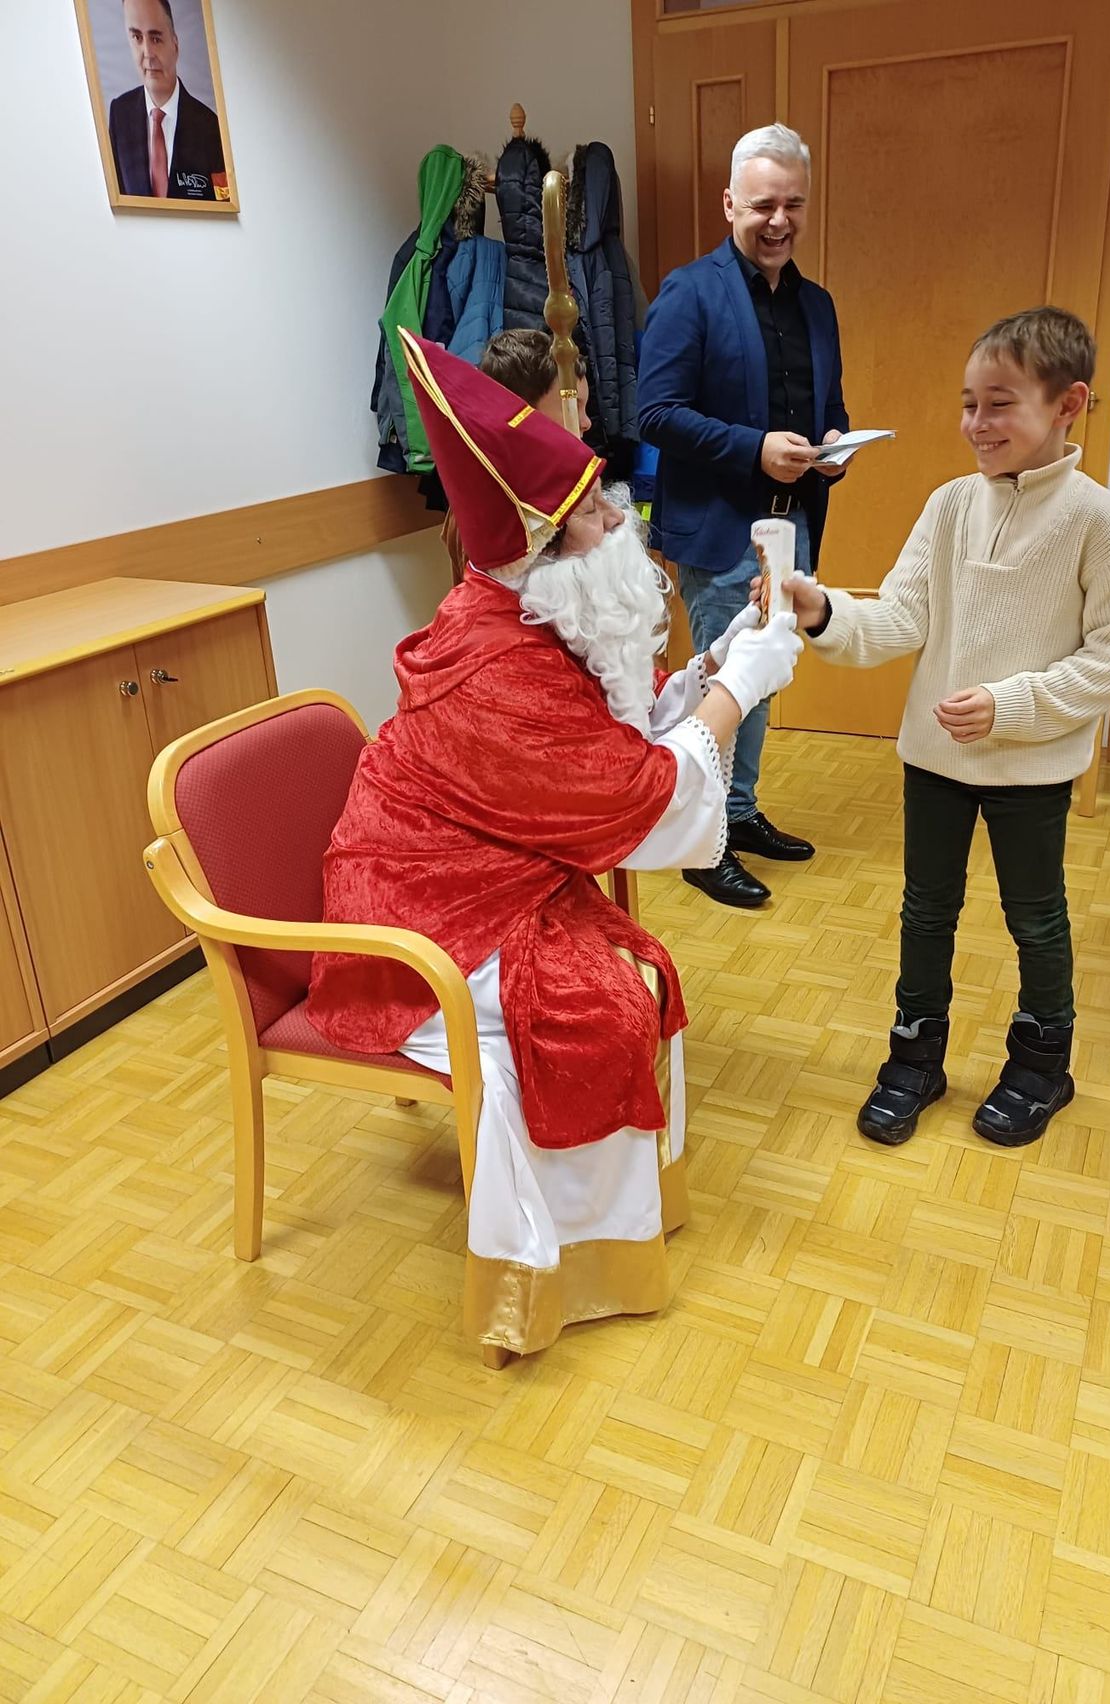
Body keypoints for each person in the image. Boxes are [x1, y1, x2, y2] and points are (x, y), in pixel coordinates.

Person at [306, 335, 802, 1356]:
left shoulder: (526, 611)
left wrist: (711, 660)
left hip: (484, 876)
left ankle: (615, 1226)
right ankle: (552, 1276)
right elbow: (645, 801)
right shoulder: (499, 662)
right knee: (594, 1008)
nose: (625, 524)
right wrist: (740, 687)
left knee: (632, 971)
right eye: (598, 516)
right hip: (415, 913)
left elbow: (602, 743)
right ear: (543, 548)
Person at [785, 307, 1110, 1147]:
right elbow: (900, 618)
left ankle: (1041, 1064)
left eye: (999, 404)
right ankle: (915, 1057)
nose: (975, 425)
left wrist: (1013, 706)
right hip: (935, 761)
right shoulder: (948, 504)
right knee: (926, 911)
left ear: (1069, 405)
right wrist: (824, 612)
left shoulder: (1100, 521)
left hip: (1030, 771)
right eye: (968, 404)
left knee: (1036, 917)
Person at [637, 122, 850, 909]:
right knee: (726, 684)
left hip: (791, 531)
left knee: (763, 679)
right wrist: (752, 447)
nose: (779, 221)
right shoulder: (689, 293)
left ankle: (739, 809)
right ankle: (704, 843)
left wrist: (835, 443)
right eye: (763, 204)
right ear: (730, 202)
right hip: (721, 527)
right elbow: (654, 413)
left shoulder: (818, 305)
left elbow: (829, 405)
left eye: (794, 204)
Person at [441, 329, 592, 584]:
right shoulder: (495, 516)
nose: (587, 423)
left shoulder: (553, 488)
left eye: (585, 408)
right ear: (520, 415)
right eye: (572, 407)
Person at [108, 0, 225, 202]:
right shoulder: (119, 114)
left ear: (175, 44)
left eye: (155, 39)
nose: (147, 53)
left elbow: (224, 209)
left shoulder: (210, 127)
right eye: (137, 37)